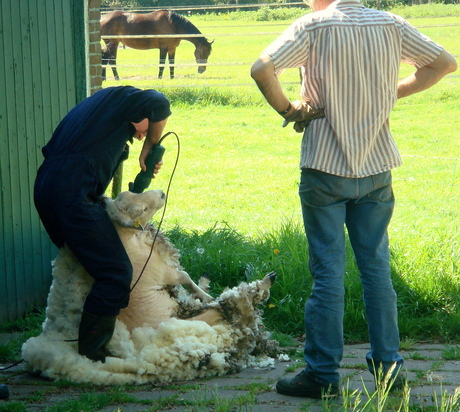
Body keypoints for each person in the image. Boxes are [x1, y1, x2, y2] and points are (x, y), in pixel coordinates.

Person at [251, 0, 457, 399]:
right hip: (377, 167)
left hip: (324, 168)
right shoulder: (392, 24)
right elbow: (444, 63)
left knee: (328, 273)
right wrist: (390, 93)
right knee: (377, 269)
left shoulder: (313, 26)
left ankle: (323, 375)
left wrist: (290, 110)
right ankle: (390, 369)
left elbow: (262, 69)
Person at [34, 86, 171, 363]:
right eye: (145, 129)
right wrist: (150, 145)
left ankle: (70, 340)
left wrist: (135, 151)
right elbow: (159, 102)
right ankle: (94, 357)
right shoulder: (126, 99)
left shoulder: (98, 108)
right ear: (140, 112)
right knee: (115, 272)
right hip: (72, 193)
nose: (142, 133)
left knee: (85, 269)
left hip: (47, 187)